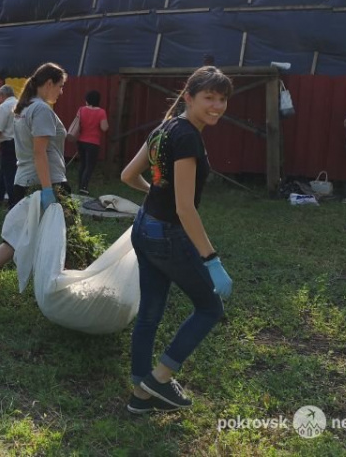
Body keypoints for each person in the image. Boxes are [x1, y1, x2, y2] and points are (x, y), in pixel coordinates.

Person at [120, 66, 233, 414]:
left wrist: (158, 195)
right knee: (210, 308)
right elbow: (185, 210)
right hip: (166, 234)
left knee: (150, 314)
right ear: (189, 97)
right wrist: (211, 260)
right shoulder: (186, 137)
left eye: (222, 99)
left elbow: (128, 176)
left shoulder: (164, 127)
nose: (216, 106)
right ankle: (159, 378)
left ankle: (141, 394)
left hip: (144, 226)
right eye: (208, 98)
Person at [0, 62, 69, 298]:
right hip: (43, 182)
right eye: (60, 86)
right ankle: (62, 291)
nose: (62, 92)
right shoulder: (40, 110)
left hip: (26, 180)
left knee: (20, 235)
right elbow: (39, 152)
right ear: (48, 83)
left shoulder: (26, 107)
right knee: (60, 235)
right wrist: (49, 191)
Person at [73, 90, 109, 195]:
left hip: (81, 141)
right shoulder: (101, 112)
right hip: (93, 143)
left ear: (87, 100)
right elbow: (104, 128)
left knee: (83, 164)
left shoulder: (81, 110)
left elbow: (77, 124)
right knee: (90, 166)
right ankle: (84, 187)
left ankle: (80, 186)